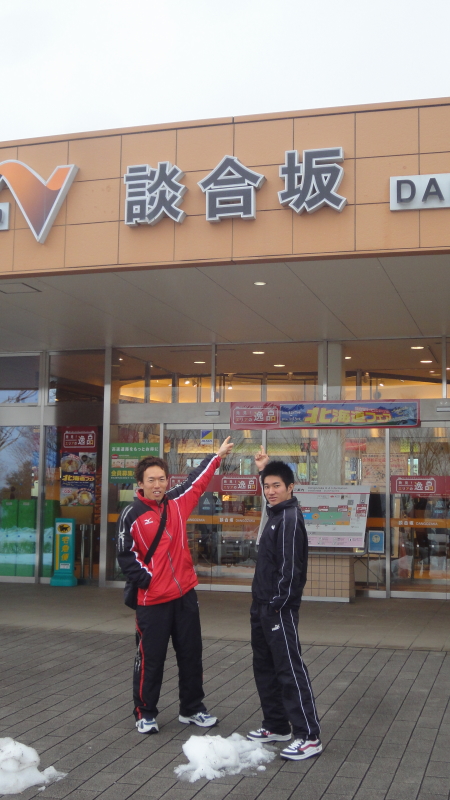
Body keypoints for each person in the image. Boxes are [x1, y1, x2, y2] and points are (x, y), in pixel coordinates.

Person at [117, 437, 234, 735]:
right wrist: (149, 580)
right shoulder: (131, 515)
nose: (157, 485)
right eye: (151, 480)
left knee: (191, 655)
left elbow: (197, 479)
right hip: (152, 600)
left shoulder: (177, 503)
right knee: (151, 660)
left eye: (161, 479)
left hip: (184, 596)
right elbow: (126, 556)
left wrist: (217, 455)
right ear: (140, 484)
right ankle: (145, 712)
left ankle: (192, 709)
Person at [247, 447, 321, 761]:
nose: (271, 491)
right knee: (265, 667)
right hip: (262, 605)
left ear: (291, 487)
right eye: (267, 486)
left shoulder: (289, 518)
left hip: (278, 608)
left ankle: (308, 736)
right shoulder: (276, 514)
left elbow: (292, 568)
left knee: (289, 670)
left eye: (277, 485)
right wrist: (263, 468)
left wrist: (278, 603)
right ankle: (276, 725)